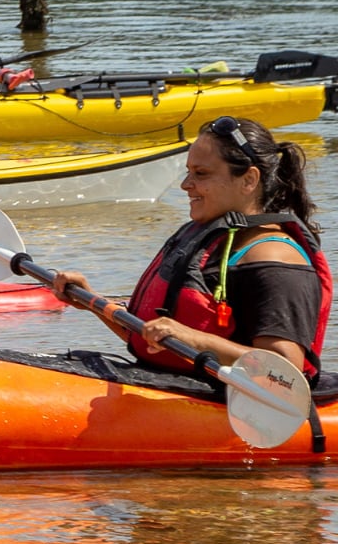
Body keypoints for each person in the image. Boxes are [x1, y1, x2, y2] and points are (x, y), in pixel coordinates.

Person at [56, 116, 330, 388]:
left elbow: (285, 373)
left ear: (248, 180)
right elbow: (151, 338)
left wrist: (193, 338)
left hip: (232, 415)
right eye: (188, 172)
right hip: (171, 390)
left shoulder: (275, 260)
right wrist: (92, 301)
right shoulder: (210, 242)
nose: (186, 184)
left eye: (201, 174)